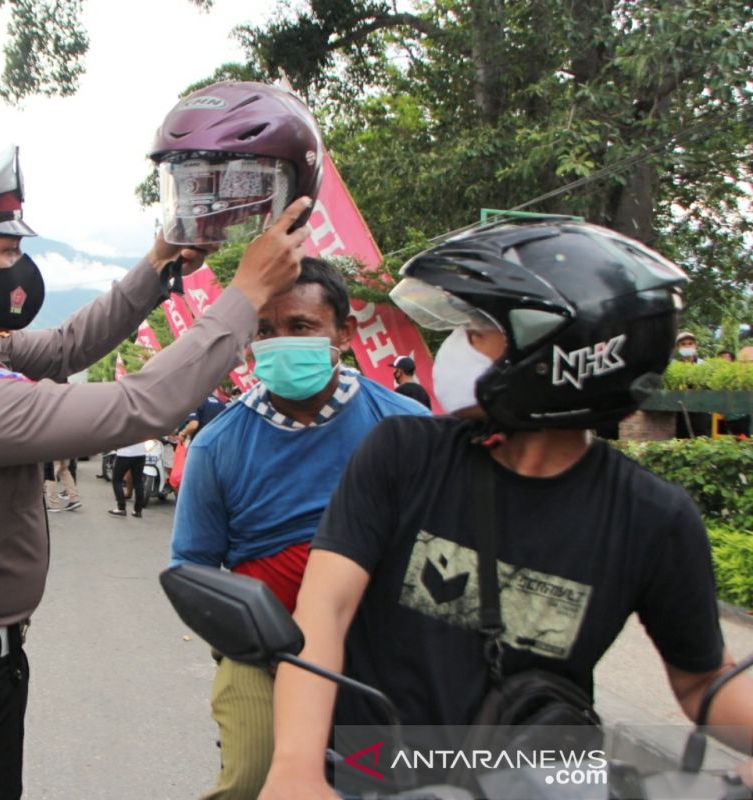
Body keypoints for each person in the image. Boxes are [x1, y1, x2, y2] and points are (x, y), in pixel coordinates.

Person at [0, 84, 319, 800]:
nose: (19, 267)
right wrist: (245, 296)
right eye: (5, 249)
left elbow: (71, 343)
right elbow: (141, 404)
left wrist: (163, 262)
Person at [260, 219, 753, 799]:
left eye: (477, 331)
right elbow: (324, 611)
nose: (454, 350)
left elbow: (705, 678)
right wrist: (295, 768)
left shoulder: (652, 516)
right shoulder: (403, 453)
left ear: (567, 357)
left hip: (539, 782)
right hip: (376, 771)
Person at [170, 256, 428, 800]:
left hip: (385, 650)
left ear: (345, 333)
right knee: (254, 777)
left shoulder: (408, 431)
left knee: (385, 782)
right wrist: (255, 636)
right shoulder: (217, 446)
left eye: (302, 327)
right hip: (266, 656)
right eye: (265, 330)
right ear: (247, 344)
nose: (282, 341)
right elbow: (191, 568)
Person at [110, 439, 148, 518]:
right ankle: (138, 510)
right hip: (141, 452)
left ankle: (121, 507)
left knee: (116, 480)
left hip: (125, 453)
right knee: (138, 481)